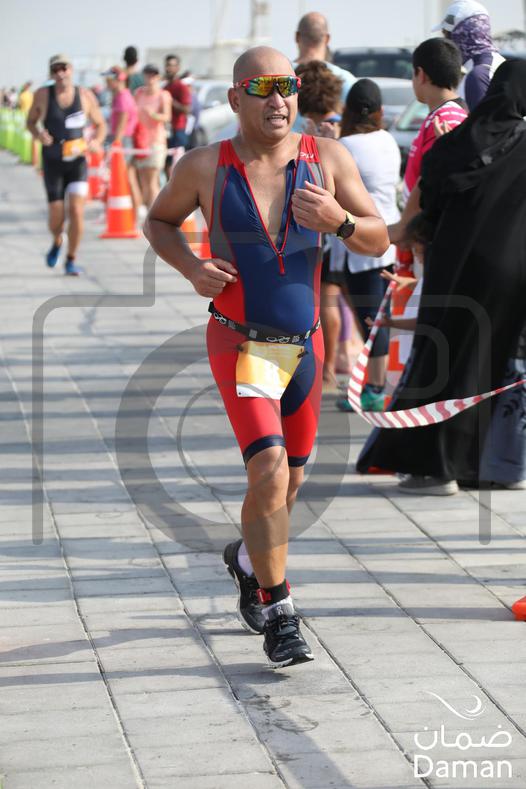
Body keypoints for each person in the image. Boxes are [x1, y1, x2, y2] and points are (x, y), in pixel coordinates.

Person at [144, 46, 389, 668]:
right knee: (270, 471)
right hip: (241, 341)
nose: (278, 98)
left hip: (305, 345)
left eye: (286, 84)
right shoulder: (205, 166)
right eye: (262, 87)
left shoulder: (327, 158)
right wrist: (192, 268)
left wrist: (338, 221)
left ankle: (249, 562)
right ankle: (281, 612)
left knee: (290, 481)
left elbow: (379, 237)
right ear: (235, 98)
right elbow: (159, 222)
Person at [357, 59, 526, 494]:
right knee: (496, 365)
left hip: (455, 273)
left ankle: (433, 469)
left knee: (444, 362)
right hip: (514, 279)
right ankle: (496, 467)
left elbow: (421, 207)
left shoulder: (458, 143)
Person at [332, 78, 401, 413]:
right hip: (389, 238)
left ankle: (375, 389)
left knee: (371, 319)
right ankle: (376, 384)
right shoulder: (388, 139)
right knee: (379, 316)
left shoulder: (344, 146)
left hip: (360, 243)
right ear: (380, 111)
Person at [294, 60, 356, 389]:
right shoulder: (340, 126)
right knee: (338, 299)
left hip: (321, 231)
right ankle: (335, 363)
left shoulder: (311, 131)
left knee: (324, 299)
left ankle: (325, 366)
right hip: (344, 230)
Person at [27, 55, 106, 276]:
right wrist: (38, 134)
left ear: (71, 70)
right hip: (52, 162)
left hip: (77, 163)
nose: (60, 73)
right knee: (56, 215)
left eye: (63, 68)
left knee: (77, 211)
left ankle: (71, 259)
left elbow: (101, 124)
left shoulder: (85, 95)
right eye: (55, 69)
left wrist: (96, 141)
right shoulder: (43, 95)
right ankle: (57, 240)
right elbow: (30, 122)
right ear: (51, 73)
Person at [391, 38, 468, 242]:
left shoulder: (445, 119)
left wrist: (406, 230)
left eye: (413, 74)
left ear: (421, 74)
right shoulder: (447, 113)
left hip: (428, 237)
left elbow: (431, 185)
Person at [432, 0, 505, 111]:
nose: (445, 42)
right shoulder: (498, 63)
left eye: (445, 34)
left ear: (459, 35)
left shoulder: (478, 74)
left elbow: (479, 121)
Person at [102, 65, 142, 218]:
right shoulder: (121, 95)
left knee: (125, 178)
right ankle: (135, 214)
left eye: (109, 79)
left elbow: (122, 121)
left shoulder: (122, 96)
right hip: (124, 140)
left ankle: (134, 214)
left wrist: (116, 144)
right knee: (129, 177)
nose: (106, 82)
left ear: (118, 80)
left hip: (123, 140)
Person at [133, 65, 171, 208]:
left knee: (152, 180)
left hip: (156, 141)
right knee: (143, 180)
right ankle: (148, 211)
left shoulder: (163, 95)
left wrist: (153, 114)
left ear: (158, 77)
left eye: (154, 75)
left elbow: (167, 117)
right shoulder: (139, 93)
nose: (151, 78)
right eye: (148, 75)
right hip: (140, 141)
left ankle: (154, 211)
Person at [164, 54, 192, 171]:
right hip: (166, 131)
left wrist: (170, 101)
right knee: (166, 165)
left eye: (172, 65)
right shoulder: (165, 87)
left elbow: (187, 109)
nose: (169, 68)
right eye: (167, 65)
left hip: (178, 130)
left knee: (178, 167)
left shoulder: (181, 87)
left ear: (177, 68)